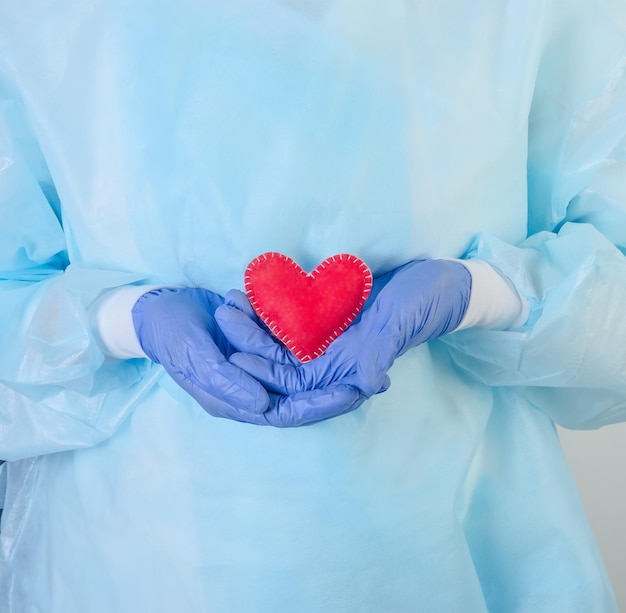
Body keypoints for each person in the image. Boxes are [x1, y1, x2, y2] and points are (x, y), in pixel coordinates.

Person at [0, 0, 625, 611]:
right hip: (134, 554)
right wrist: (118, 321)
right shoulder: (41, 17)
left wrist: (485, 294)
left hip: (464, 546)